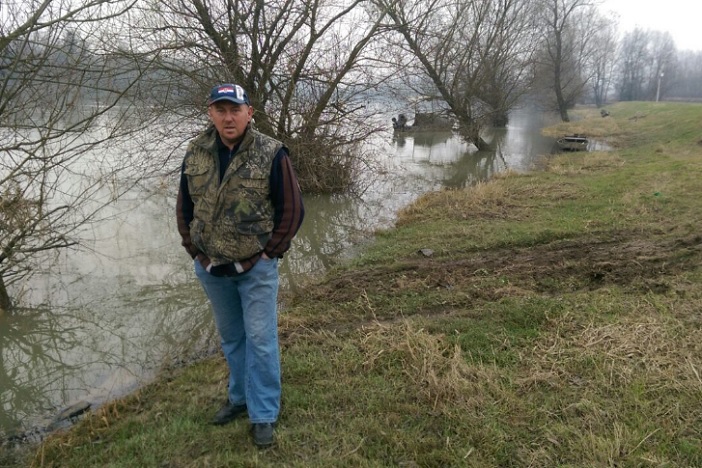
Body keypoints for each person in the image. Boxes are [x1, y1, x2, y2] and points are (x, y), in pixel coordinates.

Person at [176, 83, 304, 448]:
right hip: (212, 270)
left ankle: (263, 414)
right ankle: (239, 398)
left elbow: (293, 210)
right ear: (210, 113)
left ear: (249, 113)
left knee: (261, 341)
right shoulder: (195, 152)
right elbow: (184, 208)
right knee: (232, 339)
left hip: (256, 270)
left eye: (235, 109)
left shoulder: (271, 152)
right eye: (221, 109)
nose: (228, 117)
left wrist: (268, 254)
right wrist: (195, 253)